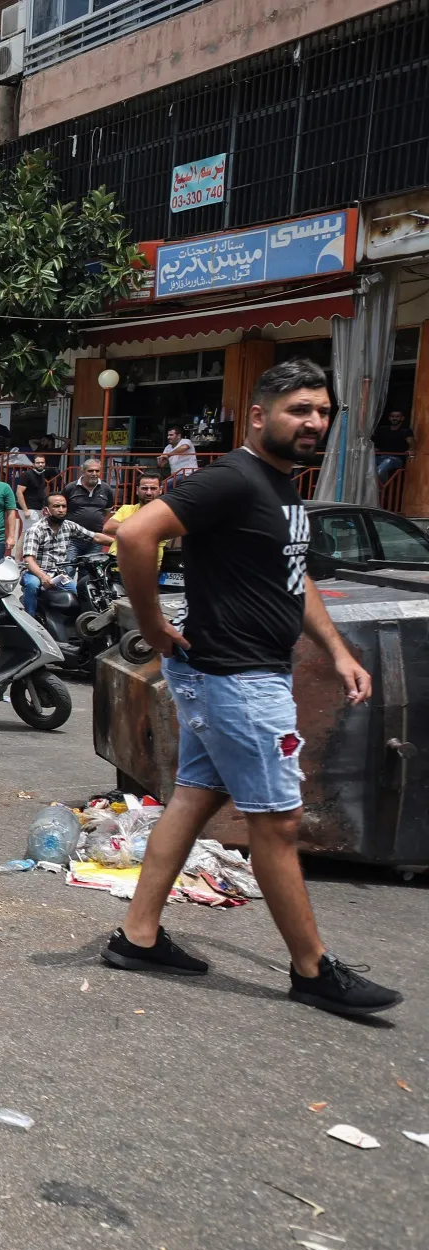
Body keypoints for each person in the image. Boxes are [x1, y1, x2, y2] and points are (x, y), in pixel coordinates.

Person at [111, 359, 399, 1017]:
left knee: (192, 799)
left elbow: (292, 582)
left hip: (243, 675)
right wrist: (153, 624)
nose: (315, 422)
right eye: (300, 409)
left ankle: (137, 935)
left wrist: (336, 650)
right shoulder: (233, 480)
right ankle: (313, 969)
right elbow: (135, 533)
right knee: (277, 821)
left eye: (323, 412)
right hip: (238, 679)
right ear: (260, 415)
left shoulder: (282, 488)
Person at [21, 491, 113, 614]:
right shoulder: (35, 530)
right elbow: (29, 559)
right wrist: (43, 576)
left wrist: (119, 542)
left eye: (63, 506)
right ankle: (29, 619)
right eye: (56, 506)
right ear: (46, 511)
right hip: (36, 573)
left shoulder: (69, 526)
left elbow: (95, 537)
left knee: (81, 592)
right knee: (32, 585)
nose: (61, 510)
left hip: (59, 575)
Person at [104, 473, 169, 571]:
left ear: (160, 490)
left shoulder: (166, 514)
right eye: (144, 488)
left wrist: (125, 524)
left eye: (153, 488)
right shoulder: (126, 509)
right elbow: (108, 528)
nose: (148, 493)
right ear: (137, 490)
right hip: (113, 570)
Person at [62, 458, 117, 556]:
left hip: (96, 538)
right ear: (83, 471)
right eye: (90, 471)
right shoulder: (70, 488)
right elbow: (61, 509)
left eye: (97, 471)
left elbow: (107, 511)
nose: (94, 473)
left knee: (90, 570)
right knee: (68, 568)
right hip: (72, 538)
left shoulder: (106, 489)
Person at [372, 408, 413, 483]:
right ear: (389, 418)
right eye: (392, 416)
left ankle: (382, 489)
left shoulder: (405, 430)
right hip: (380, 456)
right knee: (368, 468)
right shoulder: (383, 429)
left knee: (380, 470)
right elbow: (371, 438)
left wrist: (411, 449)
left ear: (402, 418)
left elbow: (411, 442)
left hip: (395, 459)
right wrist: (374, 448)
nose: (394, 418)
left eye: (397, 416)